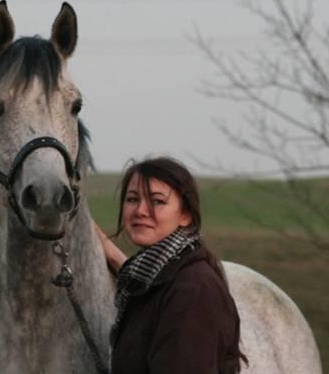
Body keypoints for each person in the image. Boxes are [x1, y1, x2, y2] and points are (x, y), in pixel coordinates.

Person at [95, 157, 248, 374]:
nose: (140, 210)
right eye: (132, 199)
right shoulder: (149, 277)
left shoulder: (193, 290)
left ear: (185, 215)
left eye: (157, 201)